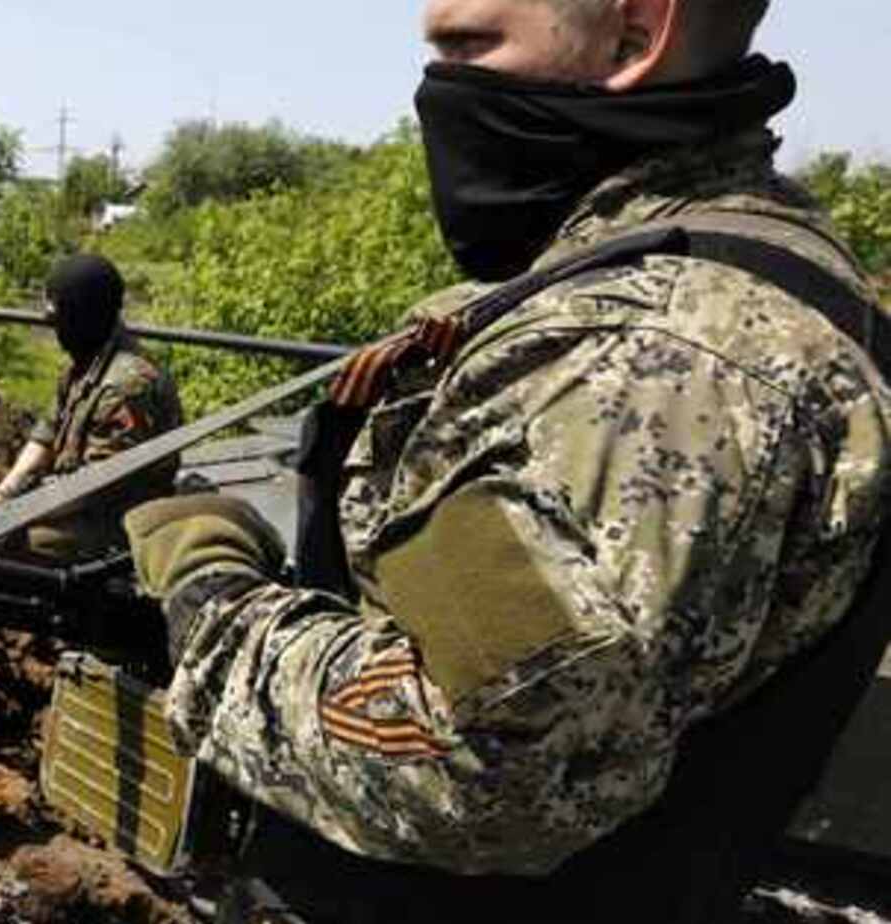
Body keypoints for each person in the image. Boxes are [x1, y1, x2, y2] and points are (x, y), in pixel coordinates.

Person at [121, 1, 891, 921]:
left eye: (471, 46)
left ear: (635, 35)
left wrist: (213, 602)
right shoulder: (700, 265)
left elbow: (478, 767)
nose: (439, 85)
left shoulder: (657, 357)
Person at [0, 253, 183, 723]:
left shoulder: (128, 385)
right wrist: (6, 490)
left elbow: (97, 486)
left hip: (116, 527)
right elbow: (45, 435)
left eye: (59, 317)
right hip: (74, 500)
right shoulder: (86, 363)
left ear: (84, 314)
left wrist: (15, 510)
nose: (54, 328)